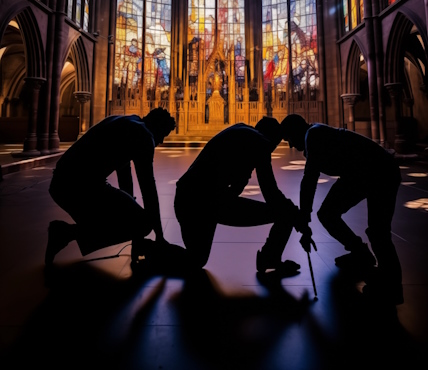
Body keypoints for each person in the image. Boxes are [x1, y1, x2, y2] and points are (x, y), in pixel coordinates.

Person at [281, 114, 403, 304]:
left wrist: (304, 216)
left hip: (379, 171)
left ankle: (392, 288)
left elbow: (309, 179)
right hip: (360, 173)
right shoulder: (314, 134)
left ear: (296, 131)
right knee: (328, 213)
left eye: (288, 138)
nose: (289, 146)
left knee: (378, 232)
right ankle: (360, 254)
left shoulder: (313, 135)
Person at [45, 107, 176, 268]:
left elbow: (125, 180)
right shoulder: (144, 136)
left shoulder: (127, 123)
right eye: (163, 135)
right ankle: (66, 233)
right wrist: (159, 236)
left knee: (133, 220)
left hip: (60, 184)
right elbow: (148, 189)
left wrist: (136, 232)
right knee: (144, 223)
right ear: (157, 127)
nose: (161, 141)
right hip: (78, 189)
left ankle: (69, 233)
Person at [174, 117, 307, 275]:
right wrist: (295, 215)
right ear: (274, 138)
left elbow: (235, 187)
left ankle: (150, 248)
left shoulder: (242, 133)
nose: (271, 151)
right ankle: (269, 258)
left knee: (196, 259)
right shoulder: (261, 142)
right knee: (285, 214)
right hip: (202, 202)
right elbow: (270, 193)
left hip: (189, 198)